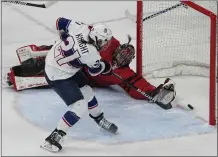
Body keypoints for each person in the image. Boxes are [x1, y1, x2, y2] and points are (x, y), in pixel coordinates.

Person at [6, 20, 176, 110]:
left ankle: (18, 77)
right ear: (116, 49)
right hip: (79, 61)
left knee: (54, 78)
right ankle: (39, 52)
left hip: (83, 77)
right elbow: (89, 33)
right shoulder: (110, 42)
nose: (117, 63)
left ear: (127, 63)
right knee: (59, 55)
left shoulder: (125, 73)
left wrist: (154, 93)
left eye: (121, 63)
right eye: (117, 58)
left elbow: (137, 85)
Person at [40, 17, 118, 152]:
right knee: (79, 106)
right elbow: (94, 71)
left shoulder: (82, 28)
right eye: (104, 41)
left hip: (60, 63)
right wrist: (106, 66)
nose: (106, 43)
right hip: (57, 75)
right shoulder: (91, 54)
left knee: (87, 91)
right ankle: (54, 137)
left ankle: (99, 119)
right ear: (97, 39)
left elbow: (60, 21)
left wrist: (63, 35)